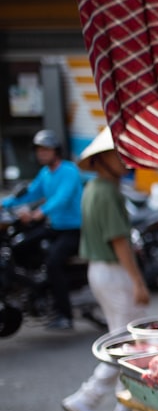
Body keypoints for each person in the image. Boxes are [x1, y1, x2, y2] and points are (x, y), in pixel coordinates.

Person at [61, 128, 150, 411]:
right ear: (101, 160)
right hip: (113, 271)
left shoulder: (95, 188)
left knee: (119, 335)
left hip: (100, 271)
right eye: (118, 153)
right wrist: (138, 281)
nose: (125, 159)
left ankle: (124, 401)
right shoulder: (107, 192)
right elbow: (119, 242)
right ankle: (86, 398)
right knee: (124, 342)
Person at [0, 129, 83, 330]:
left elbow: (61, 199)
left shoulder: (69, 171)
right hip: (53, 227)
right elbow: (28, 194)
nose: (41, 154)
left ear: (56, 151)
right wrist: (4, 203)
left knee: (53, 262)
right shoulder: (45, 174)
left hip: (73, 229)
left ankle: (65, 315)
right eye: (39, 150)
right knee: (19, 246)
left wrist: (40, 212)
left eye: (45, 150)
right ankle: (34, 289)